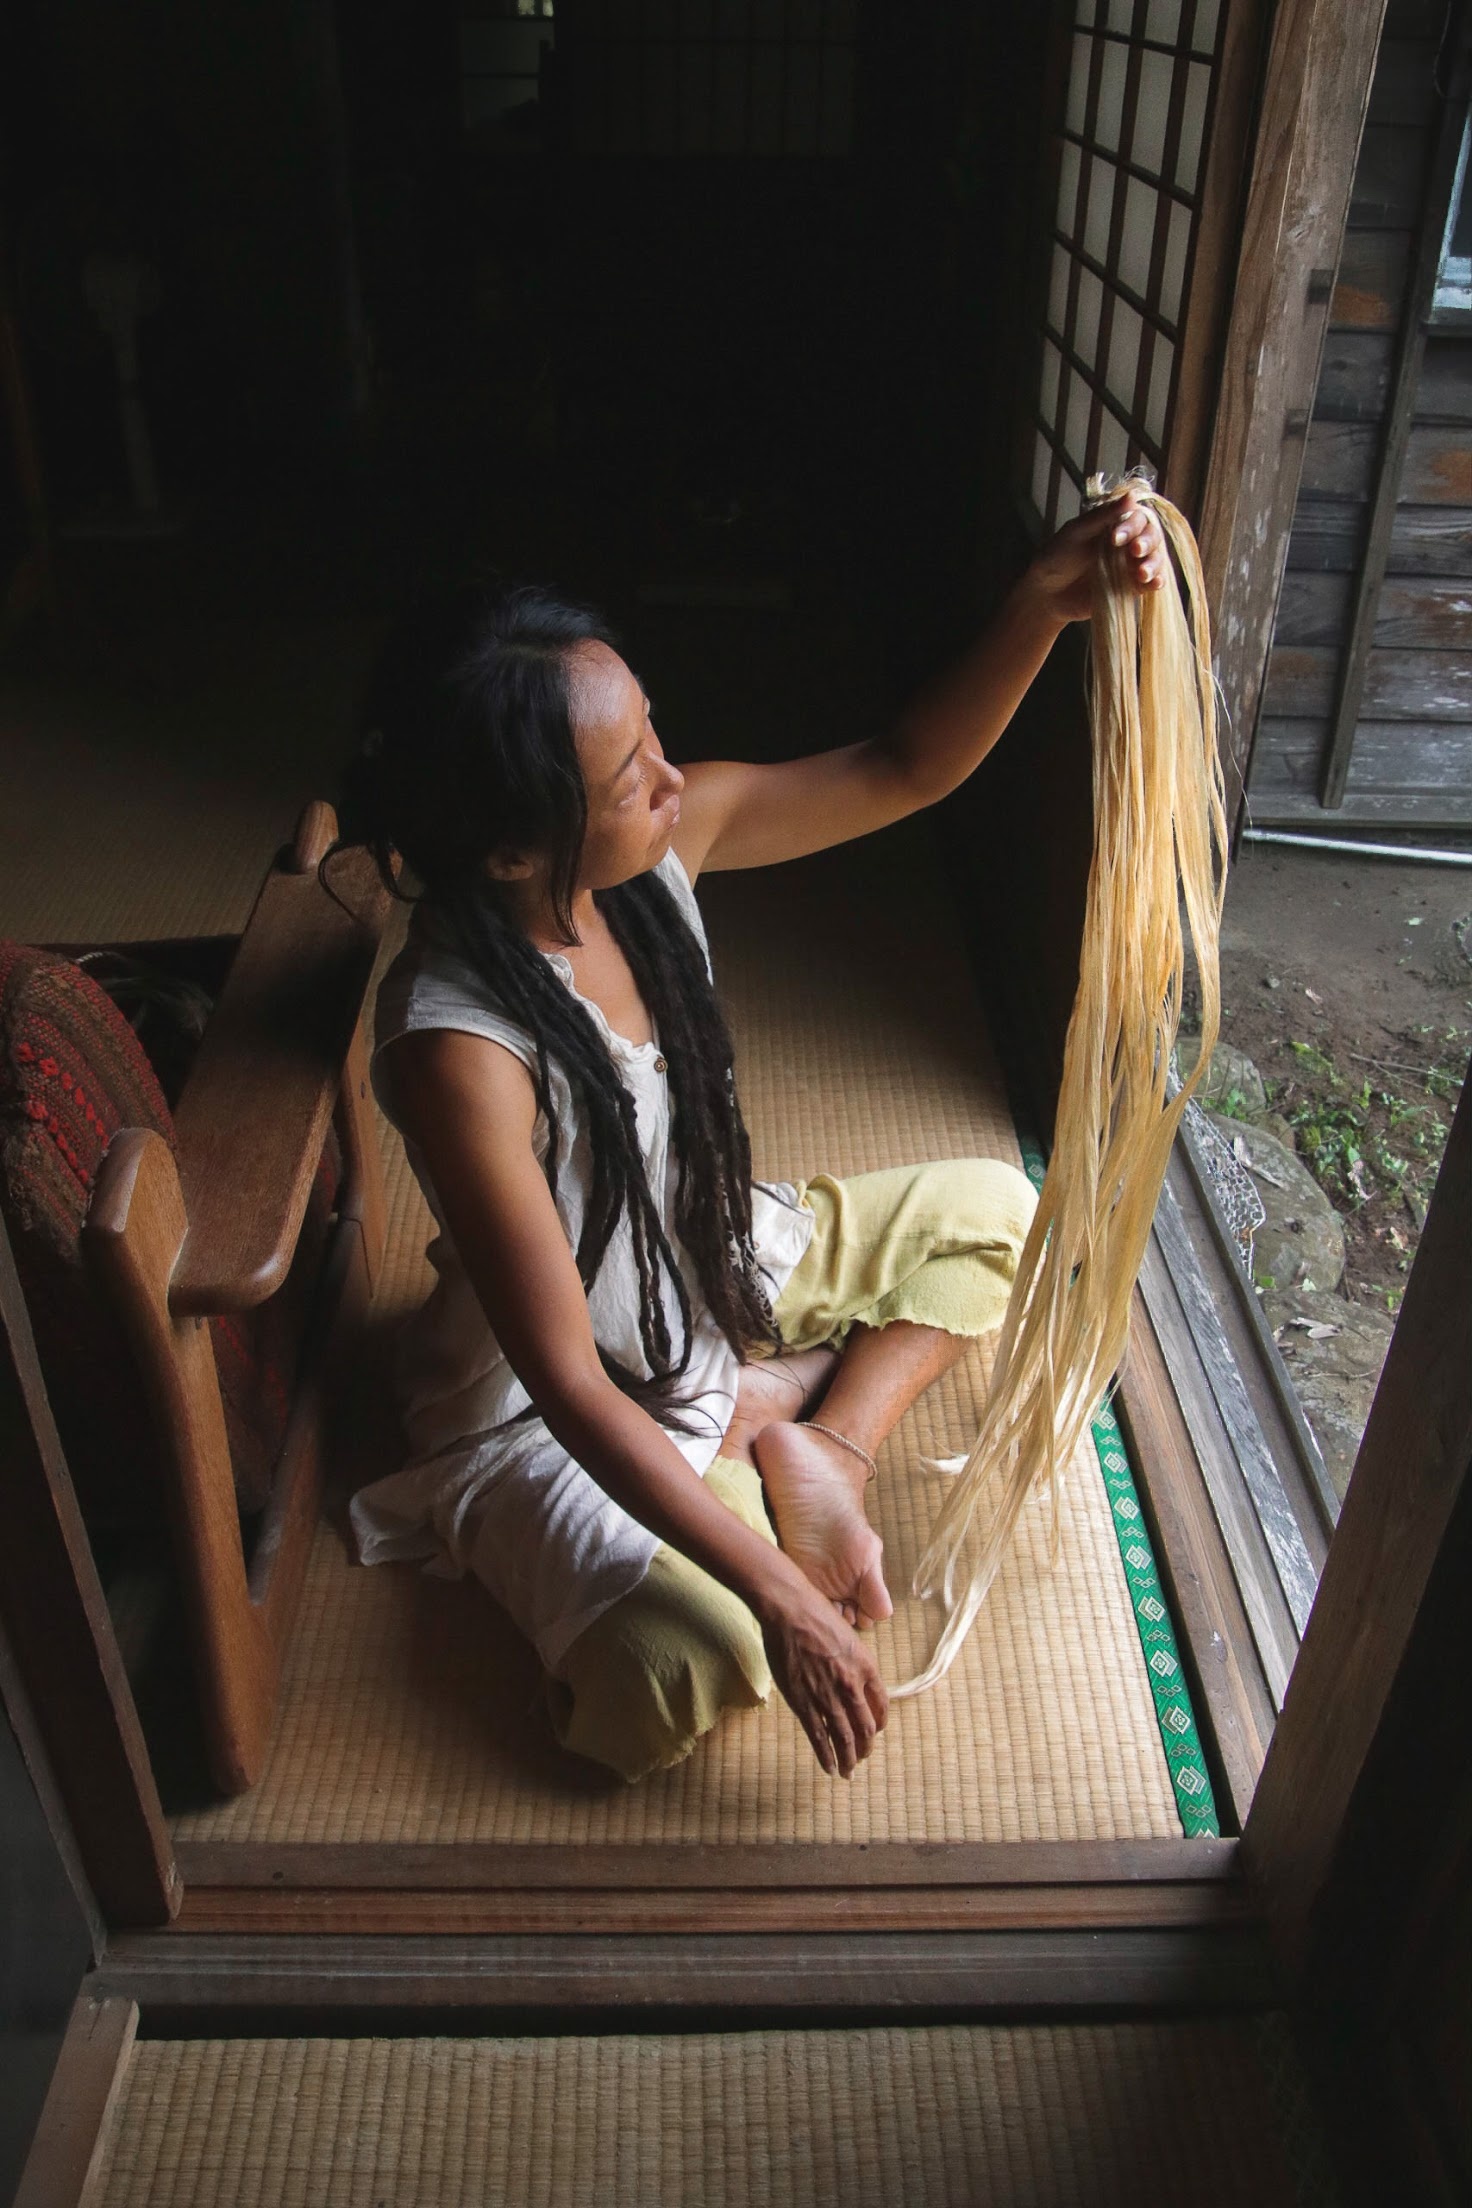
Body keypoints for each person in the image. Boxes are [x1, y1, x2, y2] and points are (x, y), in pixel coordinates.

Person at [340, 492, 1166, 1785]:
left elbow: (903, 765)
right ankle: (741, 1439)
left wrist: (1043, 606)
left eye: (653, 734)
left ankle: (810, 1435)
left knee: (1007, 1214)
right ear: (511, 846)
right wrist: (778, 1596)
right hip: (545, 1404)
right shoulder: (458, 1047)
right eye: (627, 779)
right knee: (687, 1668)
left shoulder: (664, 849)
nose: (672, 777)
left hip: (703, 1257)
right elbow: (563, 1378)